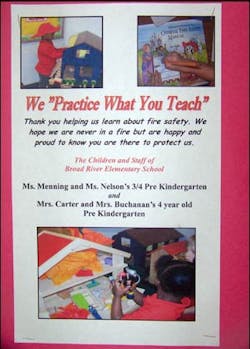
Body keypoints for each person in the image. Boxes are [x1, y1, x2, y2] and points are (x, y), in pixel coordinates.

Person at [111, 256, 195, 320]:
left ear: (157, 281)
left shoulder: (154, 314)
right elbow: (145, 301)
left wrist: (117, 296)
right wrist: (133, 290)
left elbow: (117, 321)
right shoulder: (172, 298)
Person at [32, 23, 66, 88]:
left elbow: (55, 50)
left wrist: (65, 49)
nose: (54, 35)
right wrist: (67, 52)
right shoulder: (44, 46)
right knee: (44, 83)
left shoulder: (48, 42)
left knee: (47, 82)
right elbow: (54, 54)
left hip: (47, 68)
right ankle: (42, 92)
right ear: (45, 35)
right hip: (44, 70)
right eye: (52, 34)